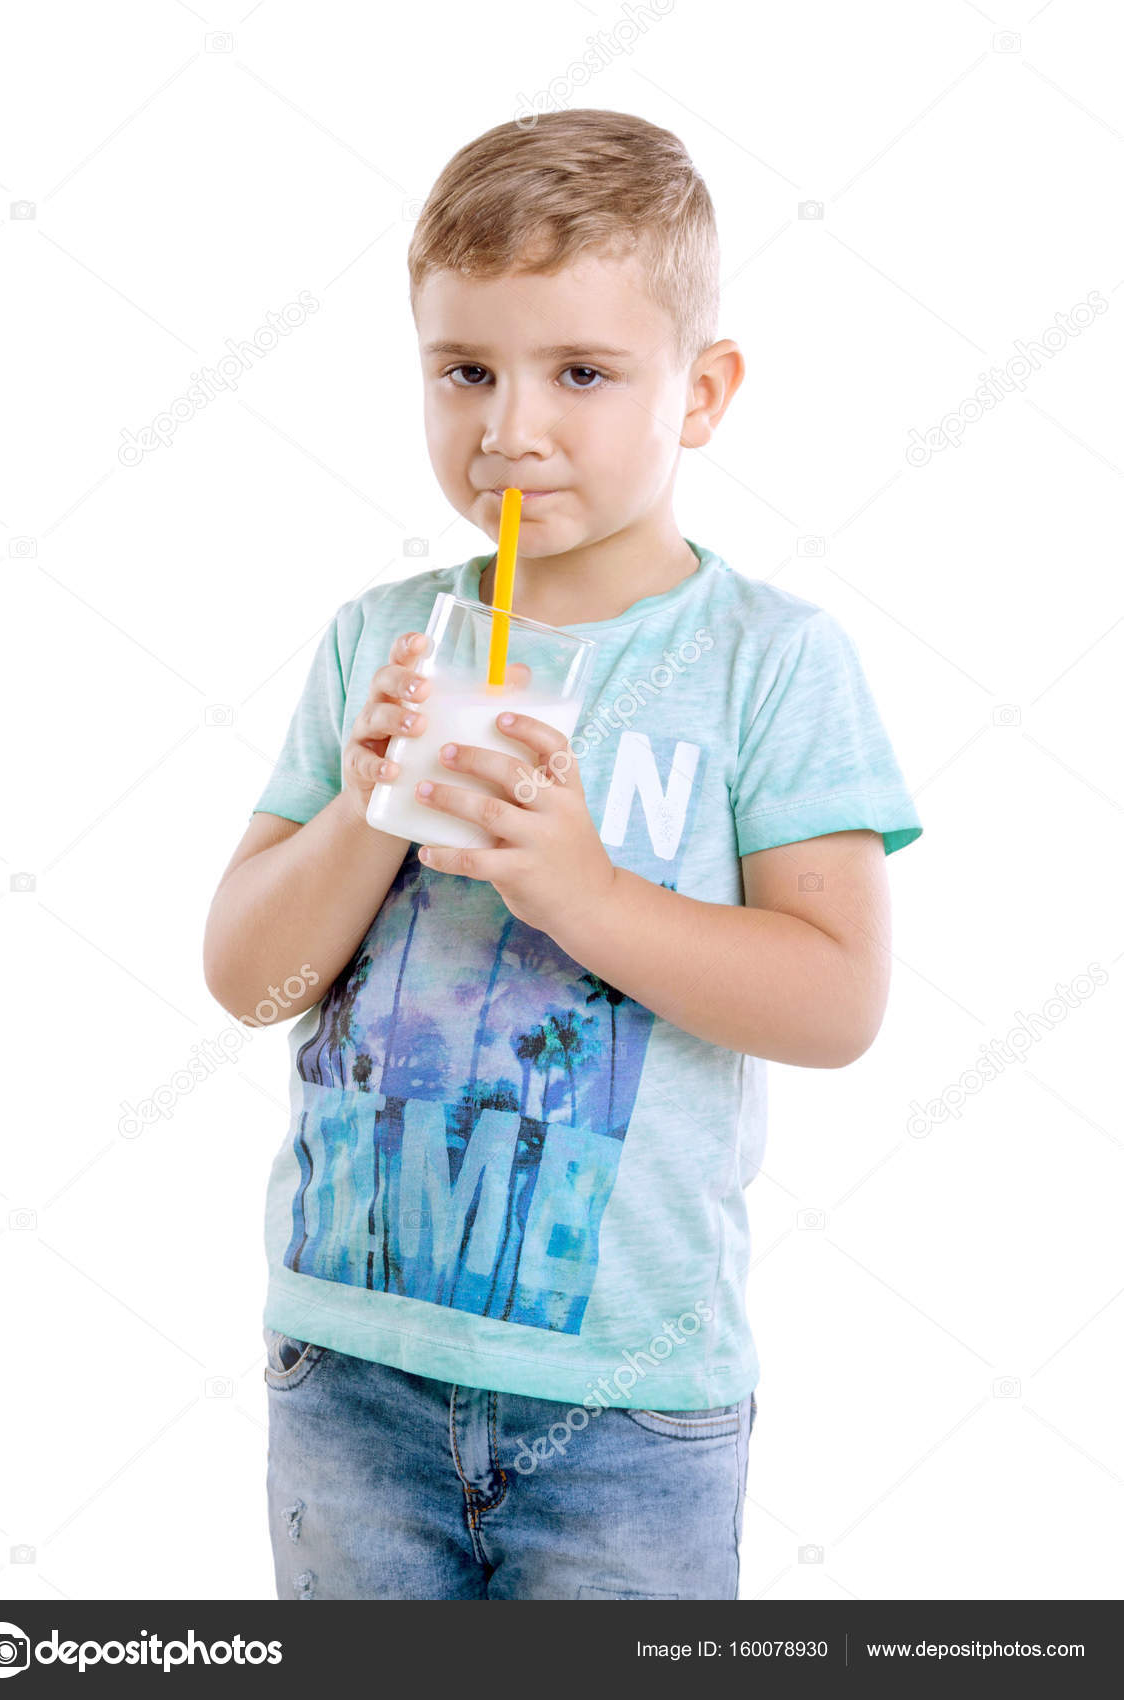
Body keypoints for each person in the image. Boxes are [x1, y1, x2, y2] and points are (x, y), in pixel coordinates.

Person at [203, 108, 923, 1602]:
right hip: (348, 1369)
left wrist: (579, 891)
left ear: (703, 392)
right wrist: (363, 811)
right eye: (463, 369)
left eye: (580, 374)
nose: (508, 429)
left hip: (625, 1402)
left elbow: (836, 1001)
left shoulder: (767, 665)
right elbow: (252, 980)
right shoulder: (376, 642)